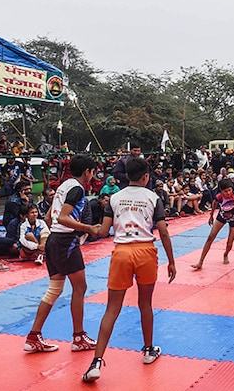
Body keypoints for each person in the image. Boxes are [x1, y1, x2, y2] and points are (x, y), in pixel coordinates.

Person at [82, 156, 177, 383]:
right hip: (145, 251)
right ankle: (147, 350)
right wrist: (172, 261)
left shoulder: (115, 198)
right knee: (145, 304)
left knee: (111, 309)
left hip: (121, 252)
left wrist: (83, 227)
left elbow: (104, 231)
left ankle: (96, 362)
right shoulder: (153, 197)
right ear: (146, 177)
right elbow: (163, 231)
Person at [24, 154, 102, 354]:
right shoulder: (77, 188)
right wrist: (88, 228)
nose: (92, 176)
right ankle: (78, 336)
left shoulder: (63, 186)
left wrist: (55, 237)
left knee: (55, 289)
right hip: (65, 242)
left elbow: (50, 217)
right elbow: (63, 218)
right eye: (92, 172)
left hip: (55, 241)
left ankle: (33, 336)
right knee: (80, 287)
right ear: (87, 172)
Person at [191, 179, 234, 269]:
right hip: (222, 216)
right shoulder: (219, 197)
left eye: (230, 190)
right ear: (221, 191)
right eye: (225, 191)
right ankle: (200, 262)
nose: (228, 193)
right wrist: (211, 216)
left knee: (229, 242)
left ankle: (226, 254)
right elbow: (214, 203)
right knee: (210, 237)